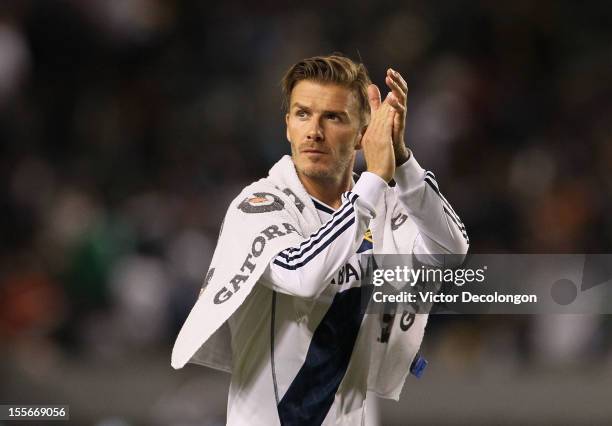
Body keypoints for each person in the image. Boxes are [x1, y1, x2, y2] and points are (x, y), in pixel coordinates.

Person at [171, 54, 469, 425]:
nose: (314, 130)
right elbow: (303, 274)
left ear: (364, 134)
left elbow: (450, 248)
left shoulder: (378, 202)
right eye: (302, 114)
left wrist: (402, 161)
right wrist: (375, 180)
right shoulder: (258, 206)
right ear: (287, 127)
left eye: (333, 117)